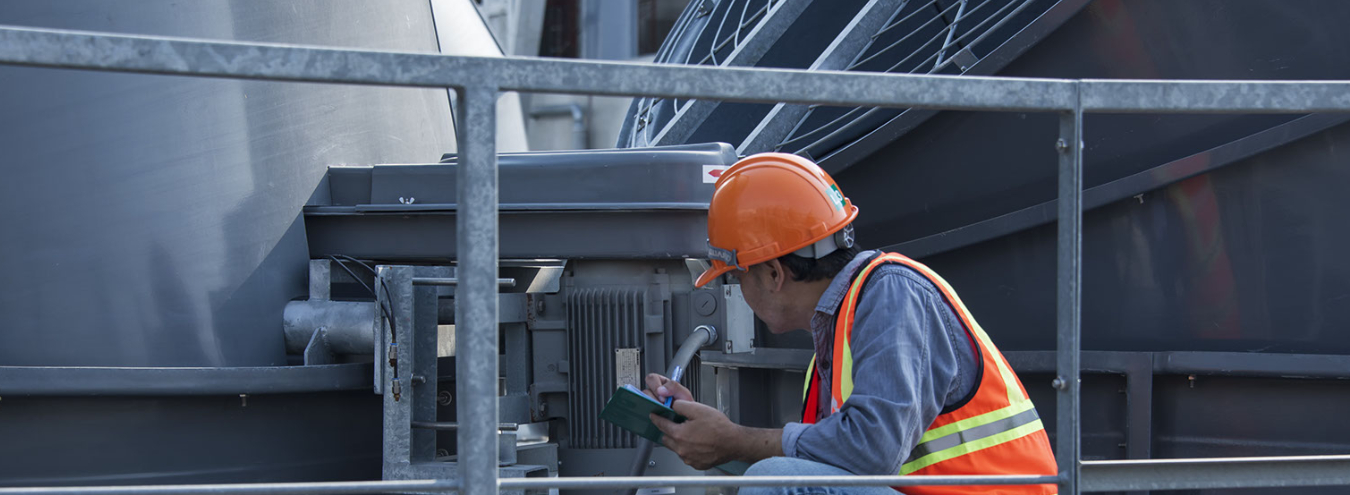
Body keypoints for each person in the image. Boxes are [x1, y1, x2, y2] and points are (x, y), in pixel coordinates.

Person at [643, 153, 1058, 495]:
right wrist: (711, 437)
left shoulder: (891, 293)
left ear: (773, 273)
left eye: (736, 277)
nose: (737, 292)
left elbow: (870, 450)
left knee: (778, 485)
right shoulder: (839, 333)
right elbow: (824, 461)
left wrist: (733, 439)